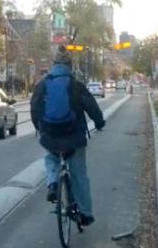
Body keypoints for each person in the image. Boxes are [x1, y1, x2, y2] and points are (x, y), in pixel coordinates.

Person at [30, 47, 105, 226]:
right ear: (69, 66)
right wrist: (99, 122)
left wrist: (39, 128)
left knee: (51, 158)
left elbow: (34, 108)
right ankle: (86, 213)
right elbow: (92, 106)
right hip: (74, 137)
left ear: (53, 65)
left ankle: (53, 184)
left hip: (50, 135)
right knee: (79, 174)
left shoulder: (42, 85)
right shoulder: (76, 85)